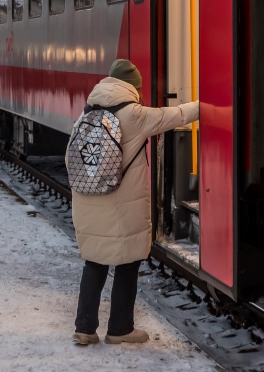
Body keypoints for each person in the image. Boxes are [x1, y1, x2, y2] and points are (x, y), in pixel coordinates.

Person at [69, 59, 199, 346]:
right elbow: (175, 115)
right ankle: (120, 329)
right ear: (133, 88)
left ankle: (85, 328)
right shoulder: (135, 114)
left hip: (88, 201)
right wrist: (208, 104)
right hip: (120, 206)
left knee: (94, 263)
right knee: (127, 264)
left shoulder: (87, 113)